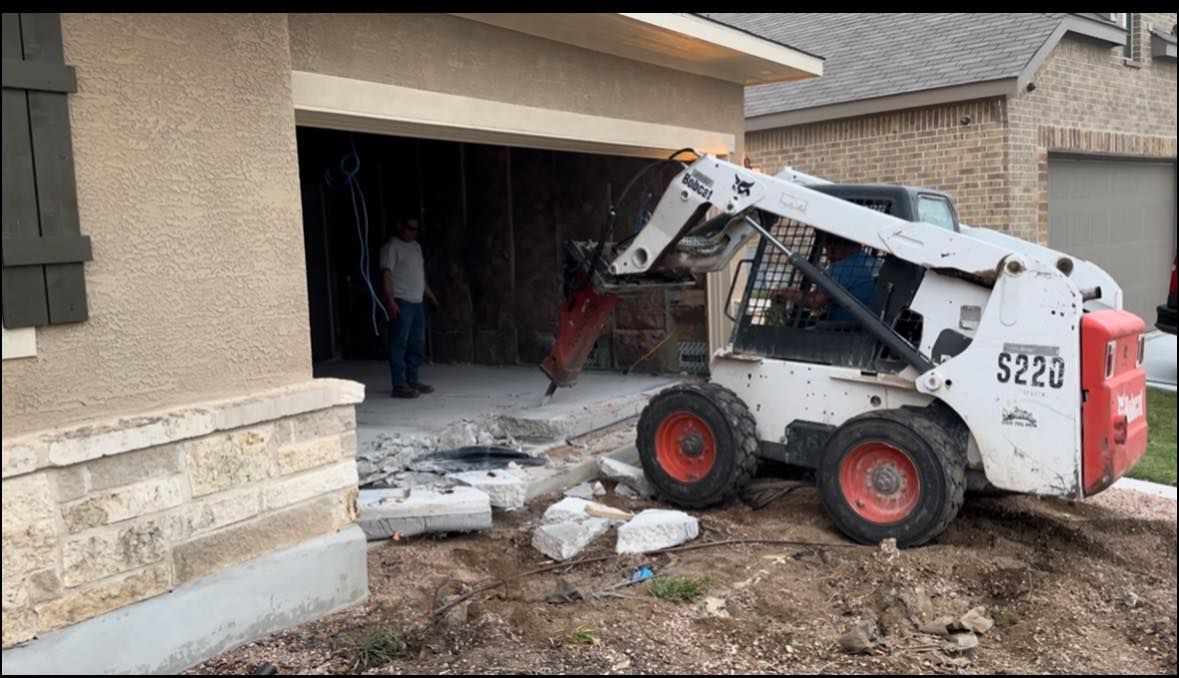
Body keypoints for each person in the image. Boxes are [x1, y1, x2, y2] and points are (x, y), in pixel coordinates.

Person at [380, 217, 439, 399]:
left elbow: (419, 275)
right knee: (399, 343)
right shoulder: (392, 247)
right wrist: (390, 300)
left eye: (416, 229)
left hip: (417, 301)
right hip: (401, 301)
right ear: (400, 227)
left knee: (417, 342)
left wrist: (431, 296)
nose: (413, 232)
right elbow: (386, 275)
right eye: (409, 228)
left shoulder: (416, 247)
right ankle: (398, 384)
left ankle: (412, 379)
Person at [771, 235, 878, 324]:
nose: (828, 256)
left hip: (845, 330)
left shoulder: (843, 268)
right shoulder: (873, 263)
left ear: (835, 248)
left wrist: (785, 292)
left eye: (827, 250)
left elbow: (815, 302)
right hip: (870, 325)